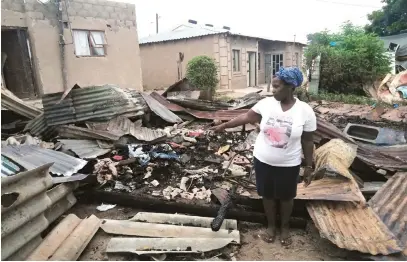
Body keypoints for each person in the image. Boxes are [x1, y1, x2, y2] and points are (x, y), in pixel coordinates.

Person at [211, 66, 316, 246]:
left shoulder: (305, 111)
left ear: (291, 87)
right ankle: (271, 226)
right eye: (272, 86)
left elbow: (307, 141)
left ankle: (284, 227)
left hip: (289, 164)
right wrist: (224, 126)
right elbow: (246, 117)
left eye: (276, 87)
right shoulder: (266, 104)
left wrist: (308, 166)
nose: (272, 90)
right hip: (263, 160)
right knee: (267, 196)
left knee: (286, 198)